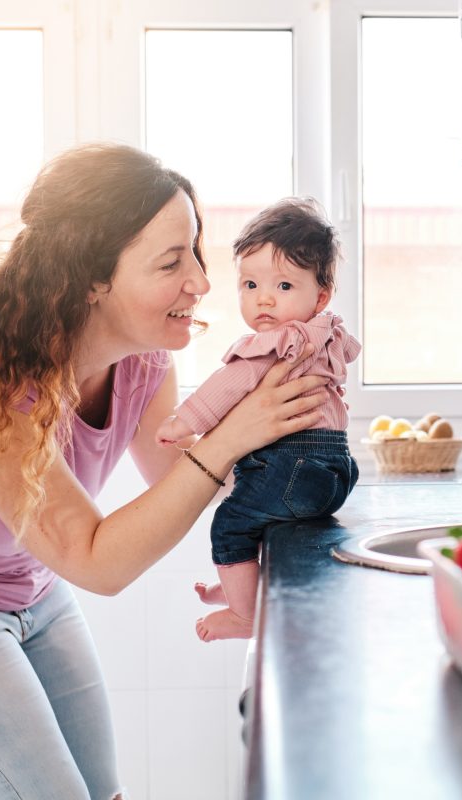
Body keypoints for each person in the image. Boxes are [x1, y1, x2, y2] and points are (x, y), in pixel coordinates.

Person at [0, 143, 328, 800]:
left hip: (22, 580)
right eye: (172, 262)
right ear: (91, 279)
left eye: (197, 250)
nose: (202, 282)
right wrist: (234, 434)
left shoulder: (144, 361)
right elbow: (97, 561)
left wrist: (305, 472)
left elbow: (189, 479)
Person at [155, 198, 361, 642]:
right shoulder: (326, 337)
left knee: (230, 524)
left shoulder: (275, 343)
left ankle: (245, 615)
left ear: (320, 296)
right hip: (336, 471)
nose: (263, 298)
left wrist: (183, 423)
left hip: (293, 466)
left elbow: (227, 385)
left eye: (284, 286)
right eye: (250, 284)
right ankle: (241, 589)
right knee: (267, 521)